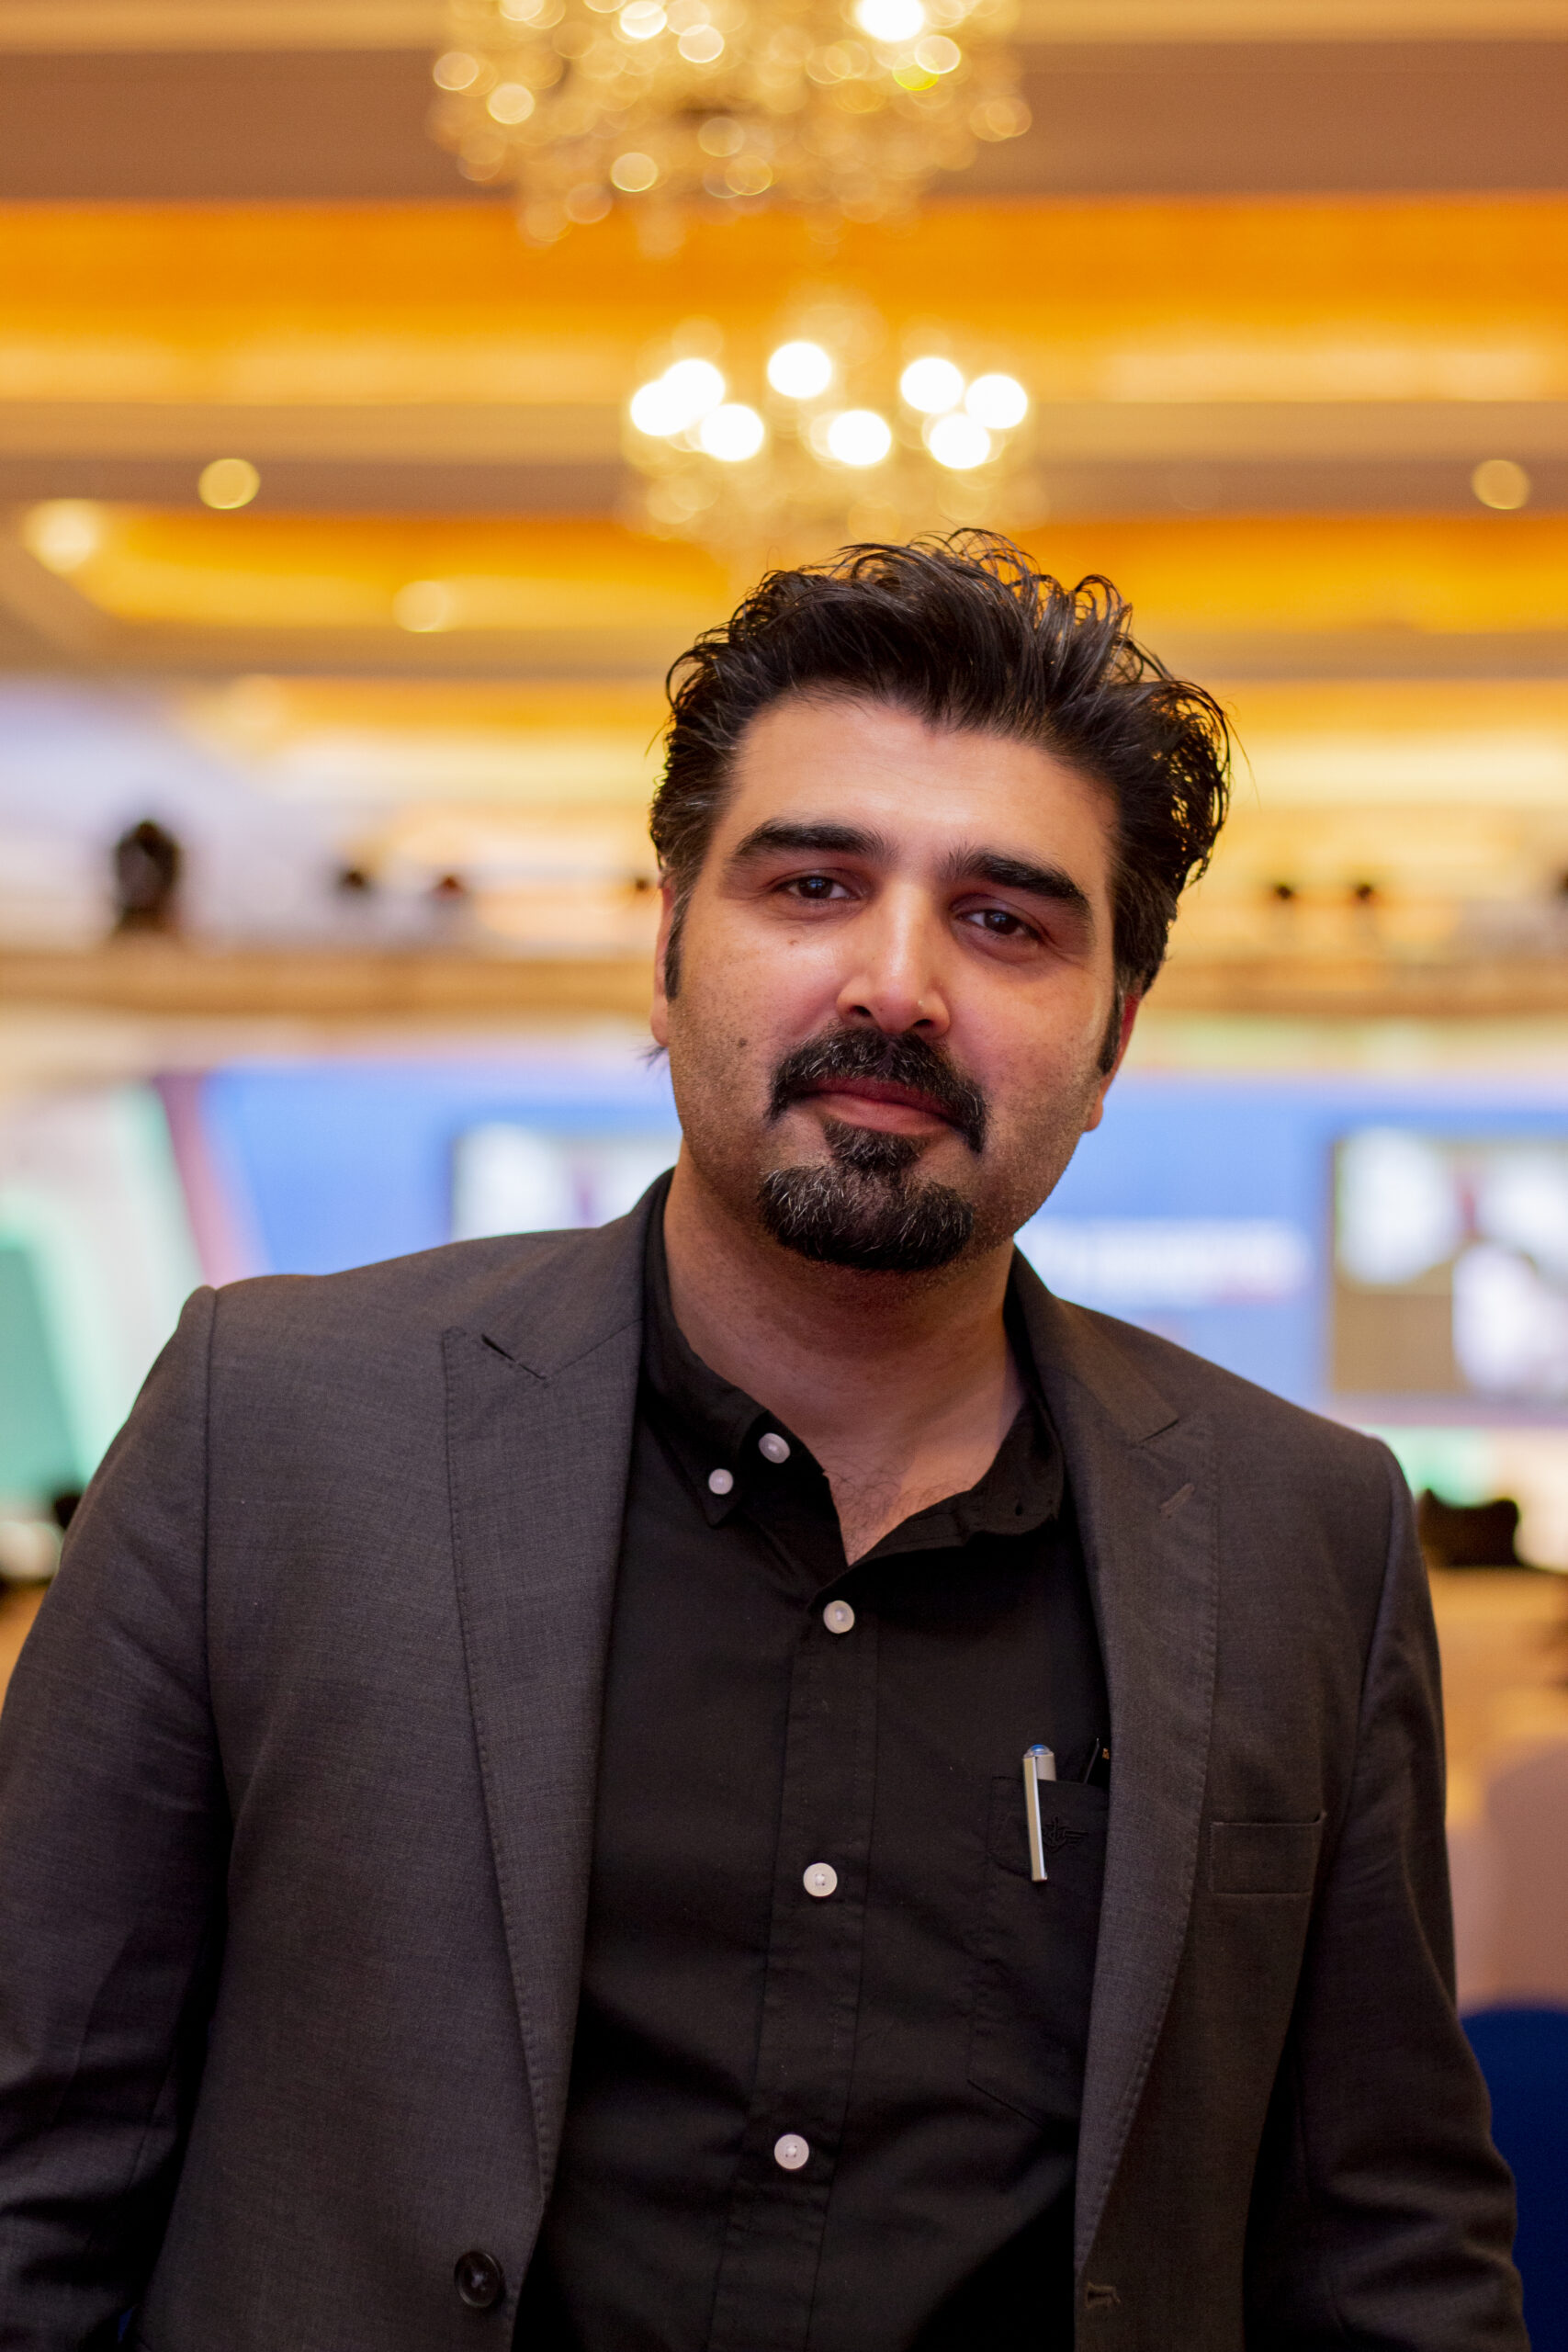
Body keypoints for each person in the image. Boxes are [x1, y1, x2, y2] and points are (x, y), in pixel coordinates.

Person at [0, 538, 1524, 2352]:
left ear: (1114, 1037)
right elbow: (37, 2167)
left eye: (1006, 920)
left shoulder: (1306, 1535)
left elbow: (1383, 2249)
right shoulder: (271, 1422)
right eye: (812, 884)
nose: (896, 982)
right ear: (664, 950)